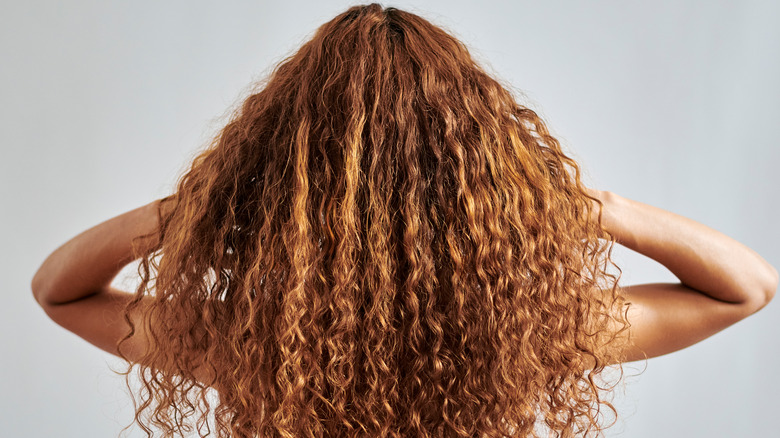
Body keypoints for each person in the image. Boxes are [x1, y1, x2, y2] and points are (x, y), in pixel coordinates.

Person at [31, 4, 777, 438]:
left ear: (299, 195)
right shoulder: (522, 343)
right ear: (476, 190)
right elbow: (744, 287)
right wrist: (582, 206)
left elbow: (59, 292)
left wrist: (194, 206)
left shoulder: (249, 351)